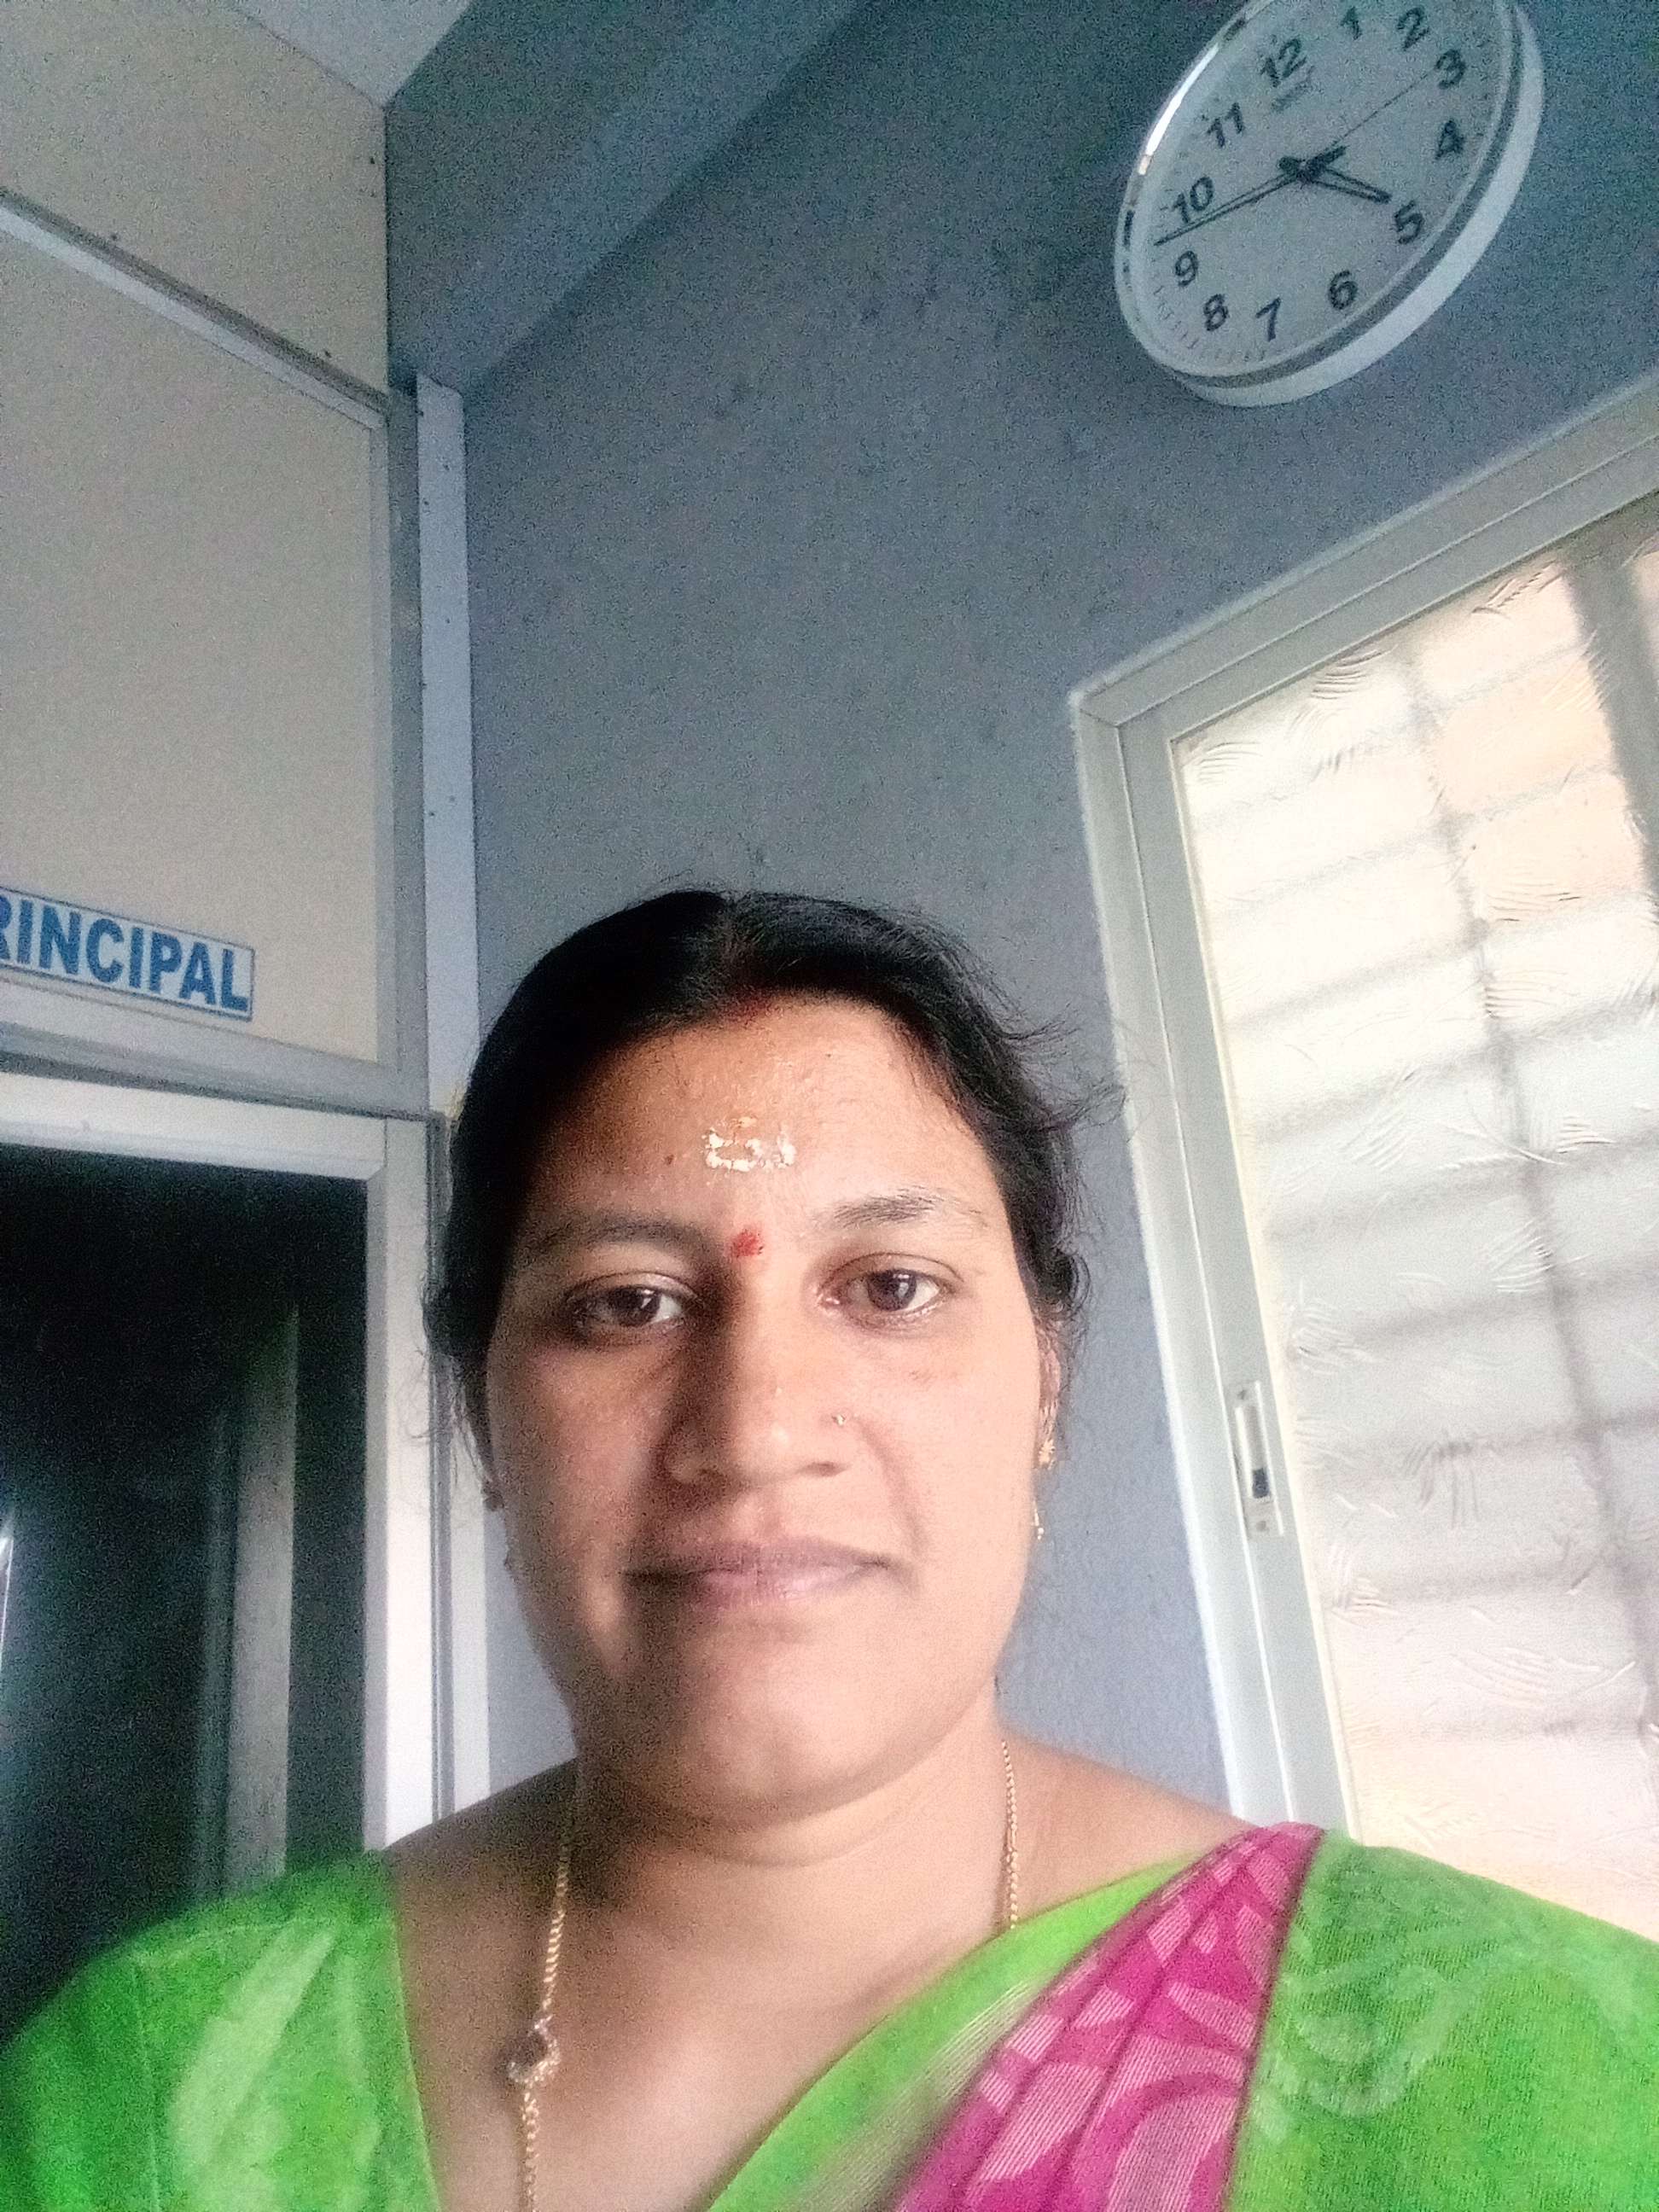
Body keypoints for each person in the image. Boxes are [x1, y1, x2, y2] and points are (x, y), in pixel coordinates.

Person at [2, 888, 1655, 2211]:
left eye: (888, 1287)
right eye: (626, 1304)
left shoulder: (1533, 2070)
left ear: (1048, 1379)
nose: (757, 1425)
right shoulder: (153, 2096)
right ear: (482, 1417)